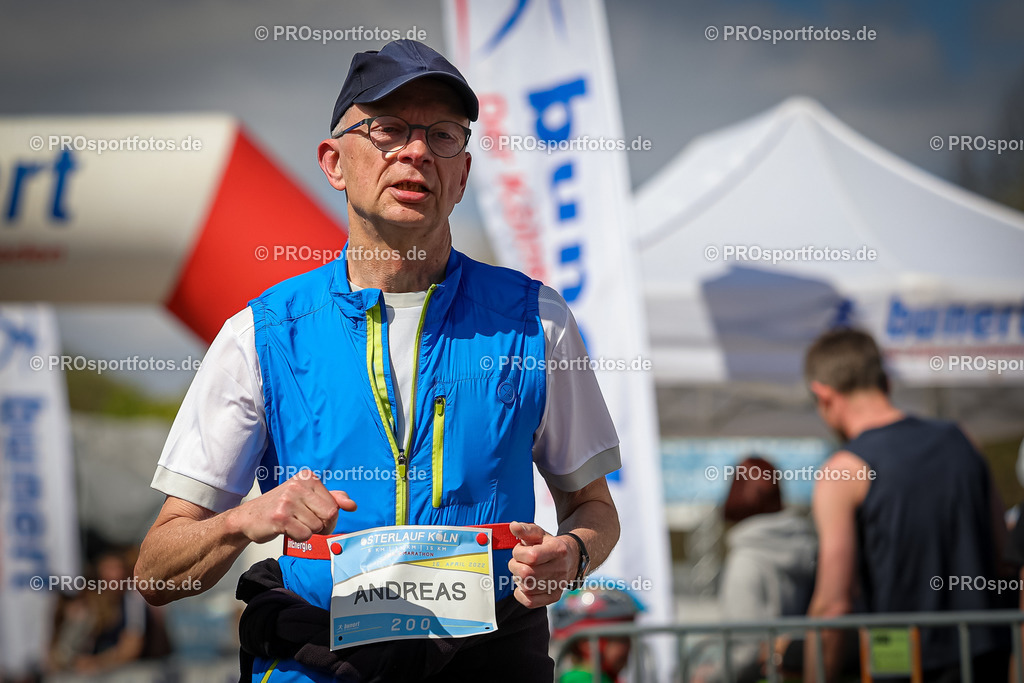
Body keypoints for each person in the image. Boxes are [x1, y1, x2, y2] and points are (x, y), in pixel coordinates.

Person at [134, 39, 621, 682]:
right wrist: (245, 518)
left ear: (463, 173)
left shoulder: (539, 320)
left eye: (443, 135)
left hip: (490, 661)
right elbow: (155, 571)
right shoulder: (260, 332)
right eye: (388, 130)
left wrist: (574, 555)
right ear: (334, 163)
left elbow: (594, 510)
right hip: (319, 663)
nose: (416, 151)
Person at [802, 328, 1009, 682]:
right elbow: (1004, 554)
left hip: (901, 664)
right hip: (985, 656)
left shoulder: (843, 471)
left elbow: (833, 605)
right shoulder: (962, 440)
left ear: (823, 394)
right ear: (885, 382)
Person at [550, 585, 644, 683]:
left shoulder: (603, 677)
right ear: (586, 643)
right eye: (622, 639)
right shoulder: (581, 680)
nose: (628, 647)